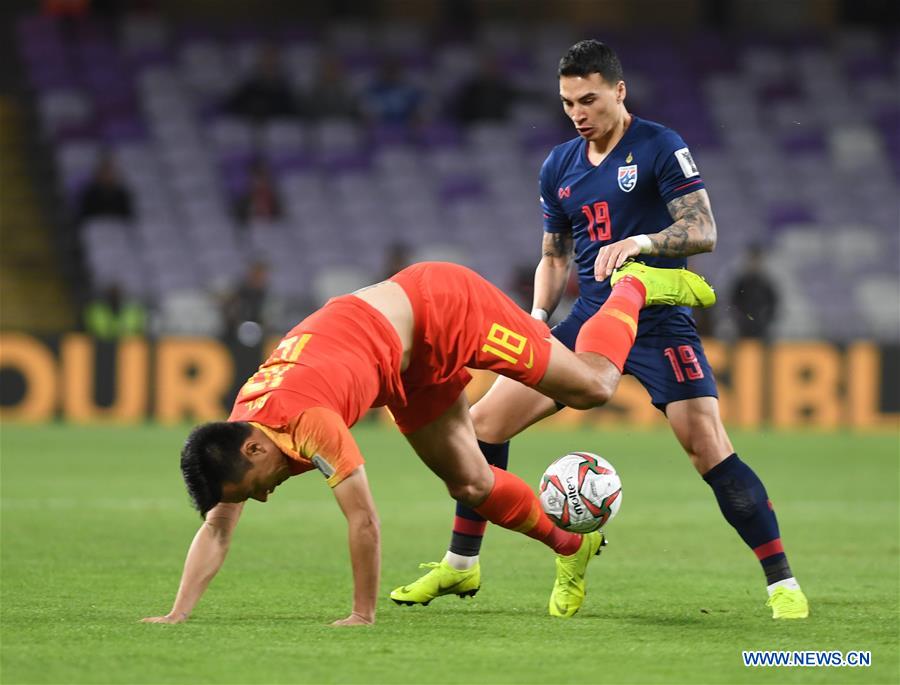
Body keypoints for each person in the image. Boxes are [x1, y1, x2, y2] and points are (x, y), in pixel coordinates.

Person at [391, 40, 808, 620]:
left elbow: (703, 228)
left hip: (659, 321)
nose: (578, 113)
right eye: (567, 103)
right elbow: (555, 256)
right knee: (483, 423)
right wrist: (536, 321)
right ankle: (462, 565)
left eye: (588, 99)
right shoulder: (559, 166)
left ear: (619, 90)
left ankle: (781, 584)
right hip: (587, 319)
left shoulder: (660, 146)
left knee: (708, 447)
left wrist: (642, 243)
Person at [141, 260, 714, 627]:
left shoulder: (308, 422)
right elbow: (217, 524)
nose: (261, 498)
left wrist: (362, 615)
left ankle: (637, 284)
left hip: (442, 307)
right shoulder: (244, 428)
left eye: (255, 489)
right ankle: (572, 545)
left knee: (592, 386)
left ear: (254, 452)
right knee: (469, 481)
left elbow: (364, 519)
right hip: (405, 368)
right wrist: (177, 613)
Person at [224, 45, 298, 124]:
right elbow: (234, 107)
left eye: (272, 57)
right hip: (249, 127)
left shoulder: (285, 88)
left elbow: (291, 113)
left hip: (277, 129)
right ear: (259, 60)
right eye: (266, 57)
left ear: (278, 60)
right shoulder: (249, 86)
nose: (269, 61)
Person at [729, 245, 779, 340]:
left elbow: (773, 304)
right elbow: (733, 302)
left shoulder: (766, 283)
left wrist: (766, 319)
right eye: (752, 259)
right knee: (731, 340)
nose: (754, 263)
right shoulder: (741, 282)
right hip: (742, 326)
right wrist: (739, 318)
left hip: (762, 326)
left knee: (769, 343)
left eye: (756, 260)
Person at [76, 154, 133, 225]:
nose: (107, 176)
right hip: (96, 227)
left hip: (117, 227)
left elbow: (128, 216)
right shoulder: (91, 194)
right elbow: (86, 216)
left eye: (109, 173)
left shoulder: (121, 194)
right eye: (104, 173)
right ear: (98, 174)